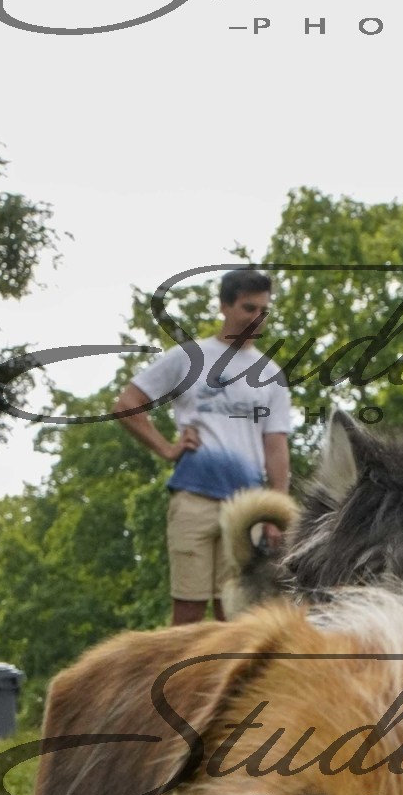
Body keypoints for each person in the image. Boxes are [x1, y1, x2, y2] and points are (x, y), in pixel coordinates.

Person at [112, 265, 293, 624]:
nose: (257, 318)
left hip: (247, 508)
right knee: (188, 612)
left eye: (264, 310)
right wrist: (166, 448)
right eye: (248, 308)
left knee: (236, 614)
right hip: (194, 498)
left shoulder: (271, 374)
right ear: (224, 306)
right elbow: (127, 404)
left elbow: (276, 446)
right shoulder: (190, 357)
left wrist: (277, 514)